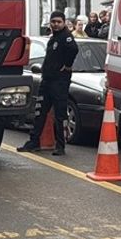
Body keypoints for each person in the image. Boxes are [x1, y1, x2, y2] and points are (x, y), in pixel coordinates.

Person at [17, 11, 78, 156]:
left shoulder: (66, 37)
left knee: (60, 115)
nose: (55, 24)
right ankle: (34, 142)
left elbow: (74, 49)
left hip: (59, 82)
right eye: (53, 22)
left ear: (63, 23)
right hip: (47, 80)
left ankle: (60, 146)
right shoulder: (53, 38)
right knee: (40, 112)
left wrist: (67, 65)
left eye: (58, 22)